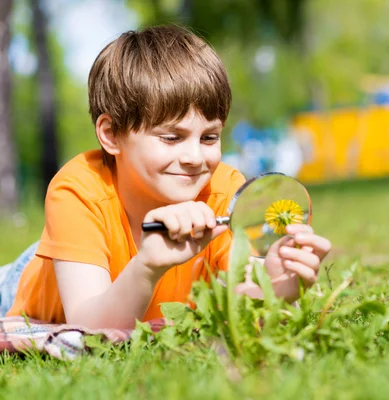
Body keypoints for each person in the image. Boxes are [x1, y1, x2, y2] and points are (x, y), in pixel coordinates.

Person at [2, 25, 331, 329]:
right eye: (171, 137)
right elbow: (89, 328)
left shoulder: (224, 191)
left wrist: (277, 285)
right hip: (32, 280)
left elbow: (239, 306)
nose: (194, 158)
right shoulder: (78, 190)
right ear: (112, 134)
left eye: (209, 137)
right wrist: (147, 267)